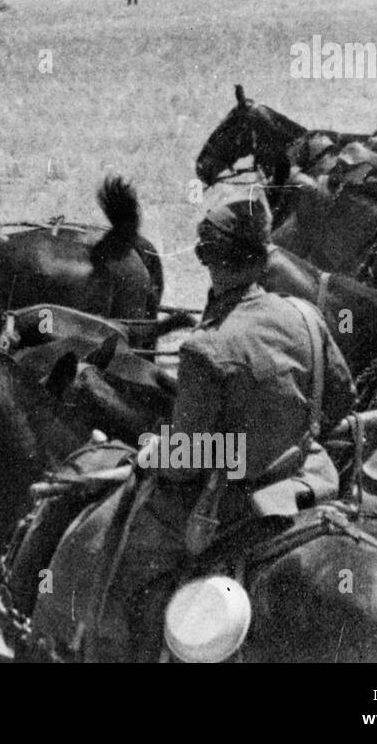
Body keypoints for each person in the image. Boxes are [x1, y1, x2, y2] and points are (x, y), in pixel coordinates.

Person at [106, 190, 353, 662]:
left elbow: (187, 463)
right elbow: (343, 400)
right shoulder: (306, 315)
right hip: (316, 480)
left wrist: (149, 453)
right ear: (263, 258)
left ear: (207, 259)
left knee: (136, 567)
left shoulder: (205, 347)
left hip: (242, 504)